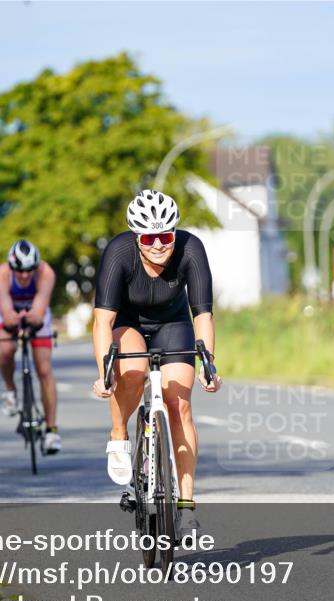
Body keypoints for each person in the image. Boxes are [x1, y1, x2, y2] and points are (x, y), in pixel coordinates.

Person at [91, 189, 222, 534]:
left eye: (166, 236)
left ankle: (186, 505)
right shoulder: (119, 252)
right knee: (133, 372)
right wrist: (105, 373)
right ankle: (118, 433)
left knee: (180, 406)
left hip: (173, 324)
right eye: (149, 238)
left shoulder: (191, 249)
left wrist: (209, 365)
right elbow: (103, 321)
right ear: (137, 238)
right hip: (128, 323)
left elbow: (203, 315)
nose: (159, 245)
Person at [0, 240, 61, 454]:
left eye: (29, 270)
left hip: (36, 314)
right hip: (10, 312)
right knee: (6, 350)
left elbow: (39, 311)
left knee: (44, 369)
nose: (24, 275)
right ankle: (10, 390)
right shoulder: (0, 275)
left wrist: (32, 318)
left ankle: (51, 430)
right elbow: (6, 311)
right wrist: (14, 319)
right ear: (11, 267)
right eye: (19, 270)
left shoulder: (46, 273)